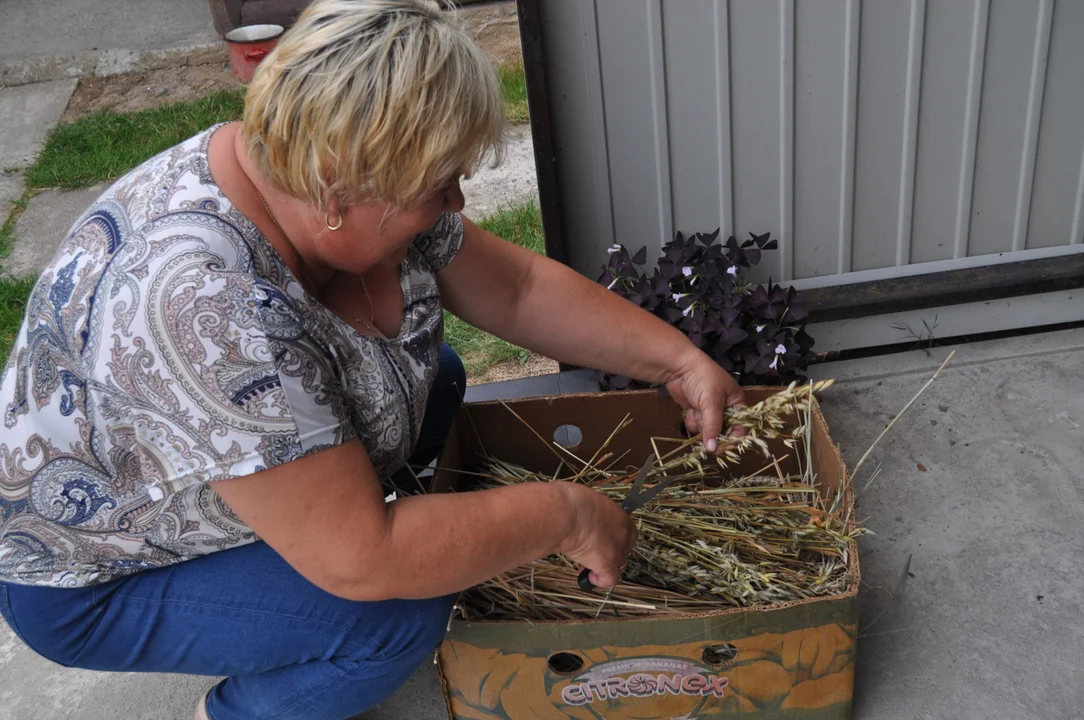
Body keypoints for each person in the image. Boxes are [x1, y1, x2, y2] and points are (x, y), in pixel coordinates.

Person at [0, 1, 745, 718]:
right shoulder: (202, 305)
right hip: (104, 573)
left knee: (439, 374)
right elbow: (364, 559)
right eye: (436, 185)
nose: (456, 200)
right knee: (395, 616)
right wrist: (566, 515)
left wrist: (674, 359)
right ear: (335, 186)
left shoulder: (318, 163)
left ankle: (337, 518)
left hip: (223, 471)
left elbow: (515, 289)